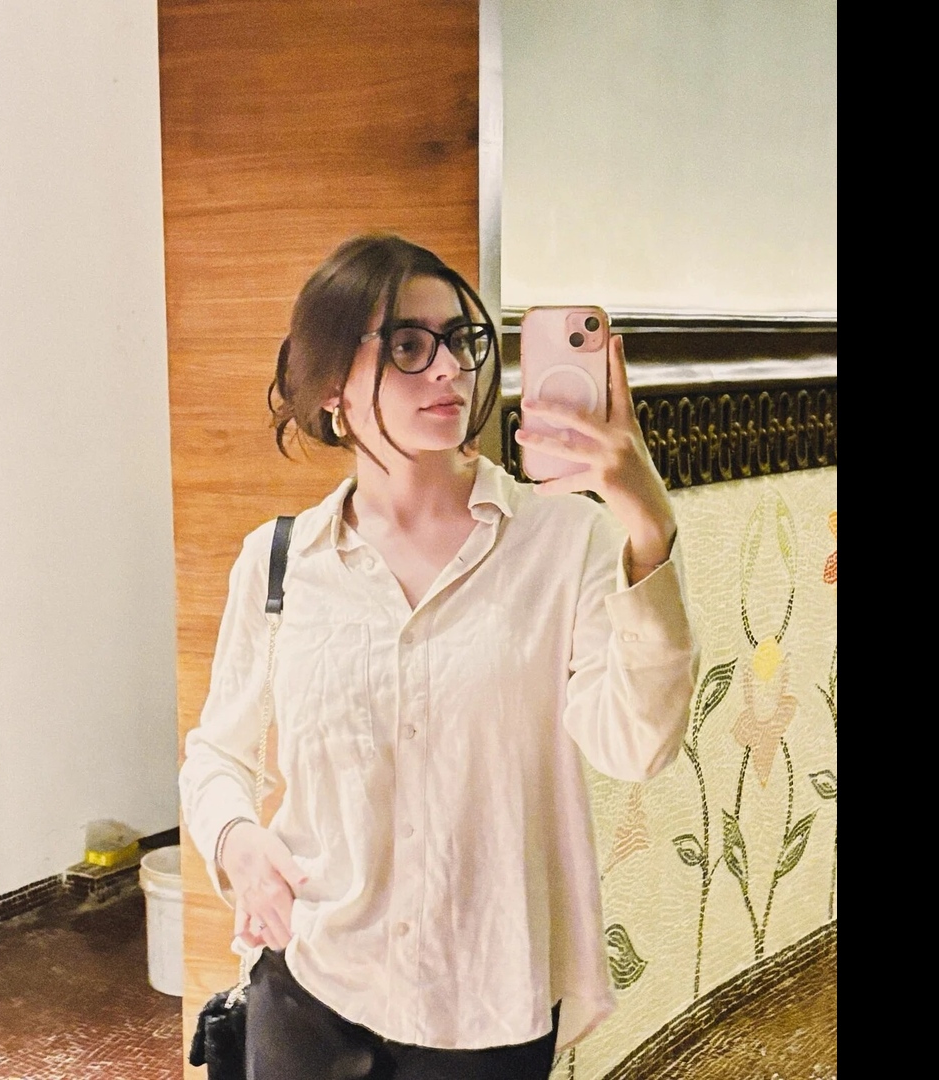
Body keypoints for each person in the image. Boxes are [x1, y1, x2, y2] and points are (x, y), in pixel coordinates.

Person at [179, 233, 699, 1080]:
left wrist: (648, 522)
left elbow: (637, 747)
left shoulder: (566, 544)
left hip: (486, 1004)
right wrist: (236, 841)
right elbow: (217, 755)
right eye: (408, 346)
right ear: (331, 386)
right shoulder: (279, 561)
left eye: (460, 340)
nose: (450, 369)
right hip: (310, 985)